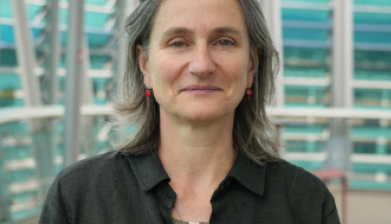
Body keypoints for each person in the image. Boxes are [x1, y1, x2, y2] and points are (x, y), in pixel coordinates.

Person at [39, 0, 340, 223]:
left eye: (224, 41)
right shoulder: (77, 196)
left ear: (251, 66)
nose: (202, 65)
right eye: (178, 43)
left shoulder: (306, 204)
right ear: (145, 65)